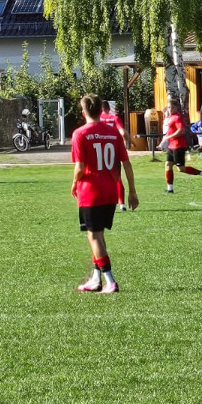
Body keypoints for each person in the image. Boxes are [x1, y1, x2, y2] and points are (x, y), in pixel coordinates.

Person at [71, 94, 138, 294]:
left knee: (93, 235)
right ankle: (95, 278)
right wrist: (132, 192)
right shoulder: (112, 133)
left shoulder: (80, 134)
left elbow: (80, 166)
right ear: (101, 111)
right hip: (111, 191)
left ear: (83, 113)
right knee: (98, 234)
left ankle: (110, 280)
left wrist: (74, 182)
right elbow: (126, 164)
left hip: (91, 191)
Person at [161, 98, 202, 192]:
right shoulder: (170, 117)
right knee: (168, 165)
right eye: (168, 107)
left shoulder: (177, 117)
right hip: (171, 146)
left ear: (176, 108)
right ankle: (170, 189)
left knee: (181, 169)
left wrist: (168, 137)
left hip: (178, 146)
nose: (170, 109)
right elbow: (169, 131)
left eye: (172, 107)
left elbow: (181, 131)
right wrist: (163, 143)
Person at [99, 101, 130, 210]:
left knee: (101, 177)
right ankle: (122, 204)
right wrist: (129, 140)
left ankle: (103, 203)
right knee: (117, 178)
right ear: (108, 108)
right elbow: (122, 132)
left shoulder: (97, 119)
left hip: (100, 151)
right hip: (113, 150)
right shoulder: (114, 118)